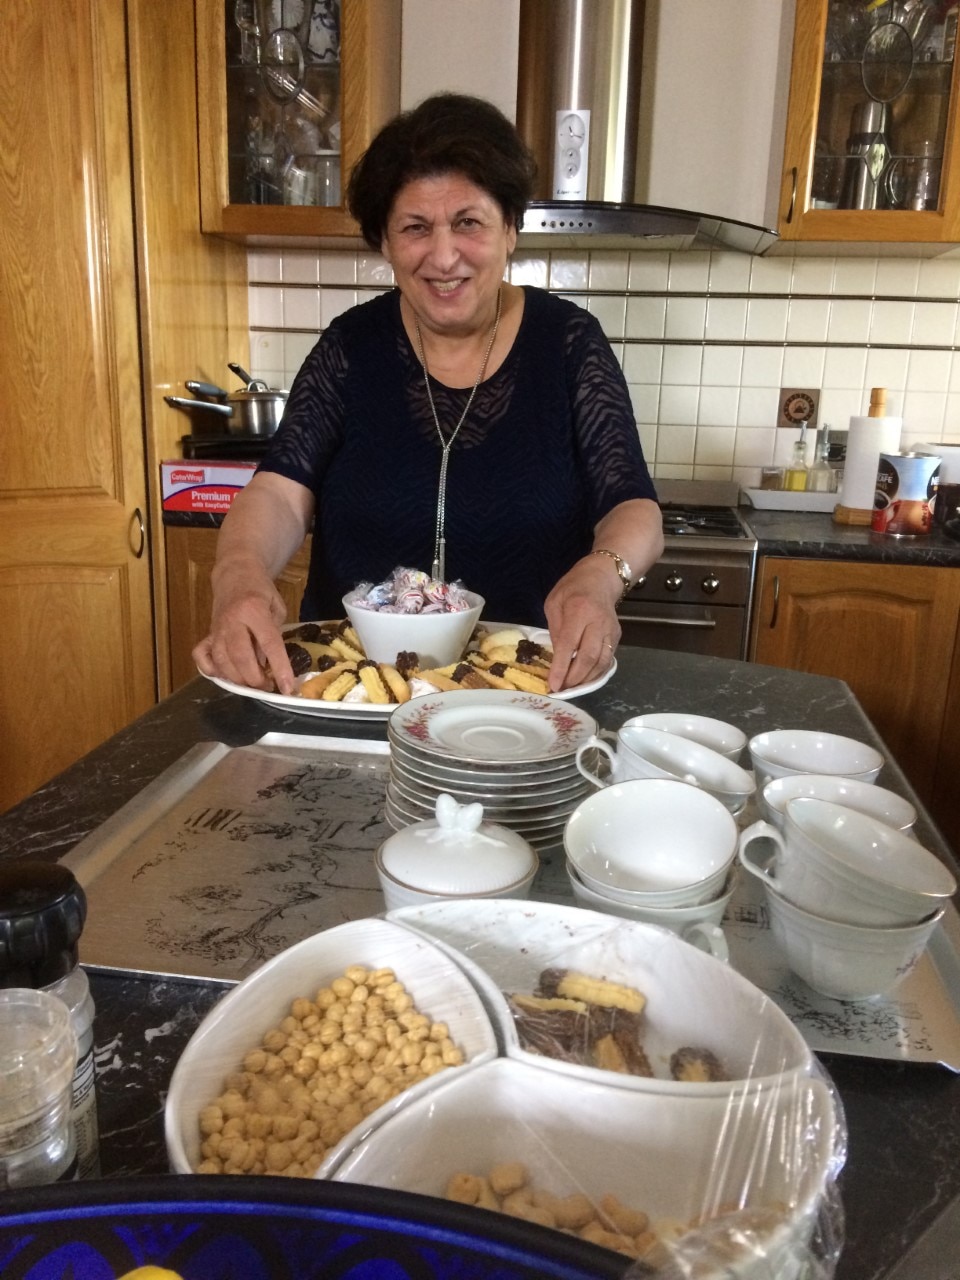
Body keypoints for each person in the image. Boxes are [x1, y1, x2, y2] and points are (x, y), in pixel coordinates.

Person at [193, 93, 663, 696]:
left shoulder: (569, 344)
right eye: (416, 228)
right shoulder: (349, 347)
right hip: (354, 692)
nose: (444, 256)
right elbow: (279, 495)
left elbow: (633, 506)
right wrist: (237, 576)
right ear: (385, 244)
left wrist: (602, 575)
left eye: (468, 222)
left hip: (519, 697)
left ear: (510, 229)